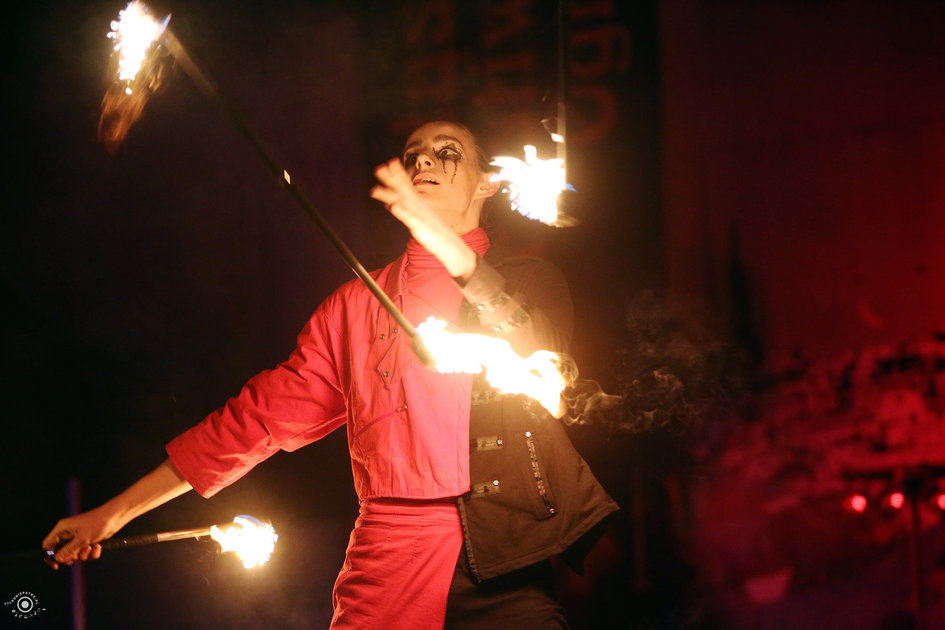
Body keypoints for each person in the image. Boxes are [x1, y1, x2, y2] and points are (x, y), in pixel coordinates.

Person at [43, 121, 618, 629]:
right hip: (388, 562)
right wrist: (112, 513)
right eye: (413, 154)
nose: (424, 159)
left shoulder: (527, 279)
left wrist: (452, 251)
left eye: (448, 152)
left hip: (504, 560)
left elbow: (544, 358)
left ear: (487, 182)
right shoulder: (353, 307)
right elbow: (250, 424)